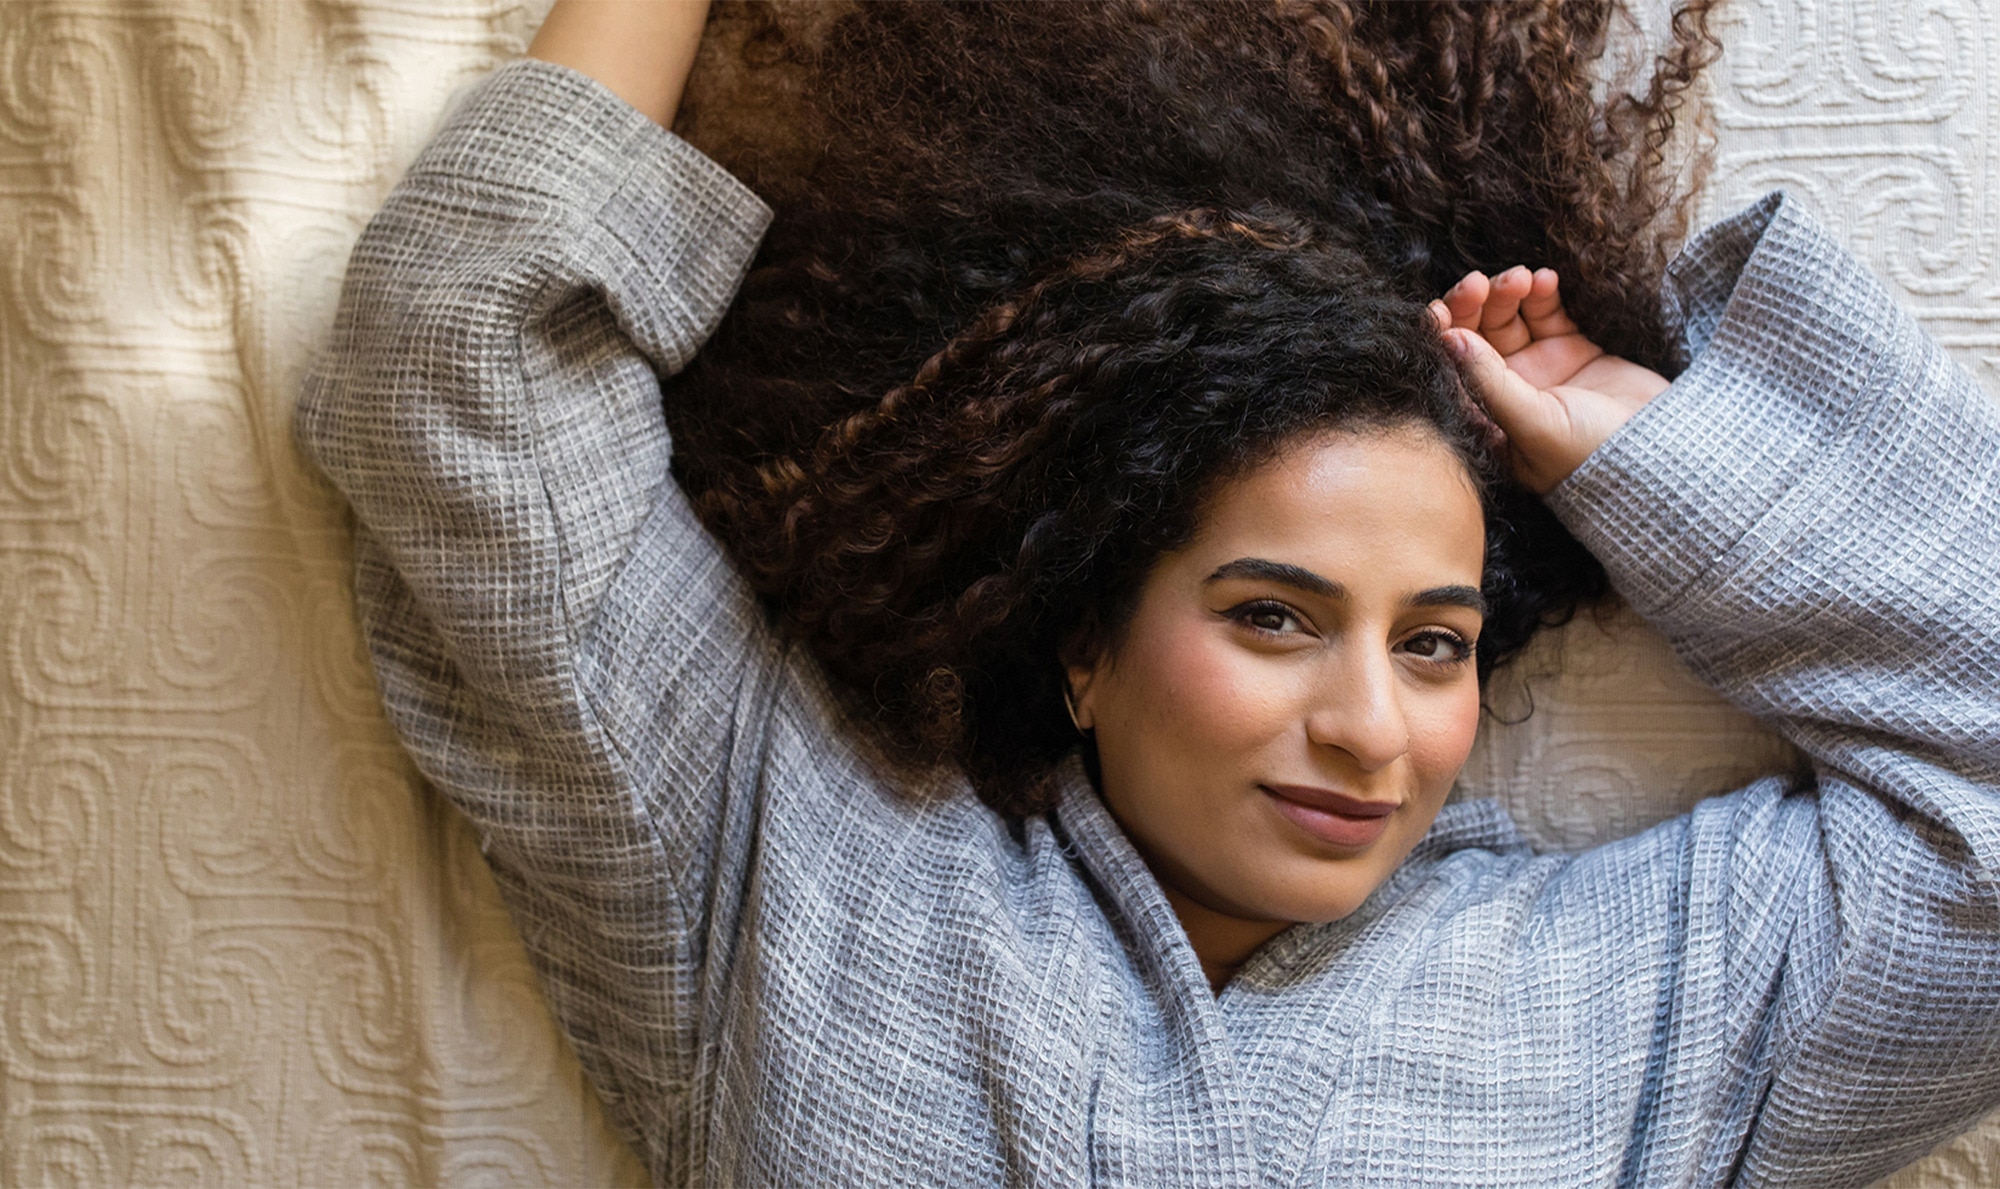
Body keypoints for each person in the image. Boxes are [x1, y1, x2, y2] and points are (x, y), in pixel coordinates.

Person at [295, 1, 2000, 1184]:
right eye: (1271, 614)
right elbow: (456, 367)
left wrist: (1653, 459)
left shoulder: (1647, 1003)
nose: (1368, 729)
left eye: (1435, 644)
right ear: (1088, 642)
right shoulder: (802, 873)